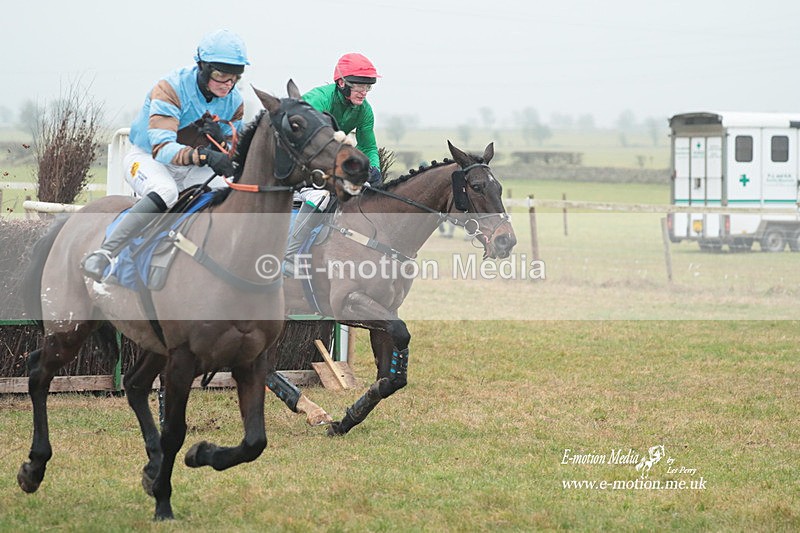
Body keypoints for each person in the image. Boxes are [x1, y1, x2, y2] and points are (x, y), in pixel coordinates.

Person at [82, 29, 249, 282]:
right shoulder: (170, 88)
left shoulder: (235, 100)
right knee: (166, 191)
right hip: (148, 158)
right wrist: (205, 156)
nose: (227, 84)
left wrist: (221, 144)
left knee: (228, 190)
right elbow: (163, 148)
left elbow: (230, 152)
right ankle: (105, 252)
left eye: (234, 77)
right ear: (202, 67)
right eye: (220, 75)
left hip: (190, 165)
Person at [283, 52, 382, 276]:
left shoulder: (364, 111)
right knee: (322, 196)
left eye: (368, 87)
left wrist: (374, 169)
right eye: (358, 86)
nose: (363, 92)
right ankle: (289, 255)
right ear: (341, 83)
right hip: (294, 158)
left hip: (322, 159)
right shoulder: (319, 99)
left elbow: (368, 146)